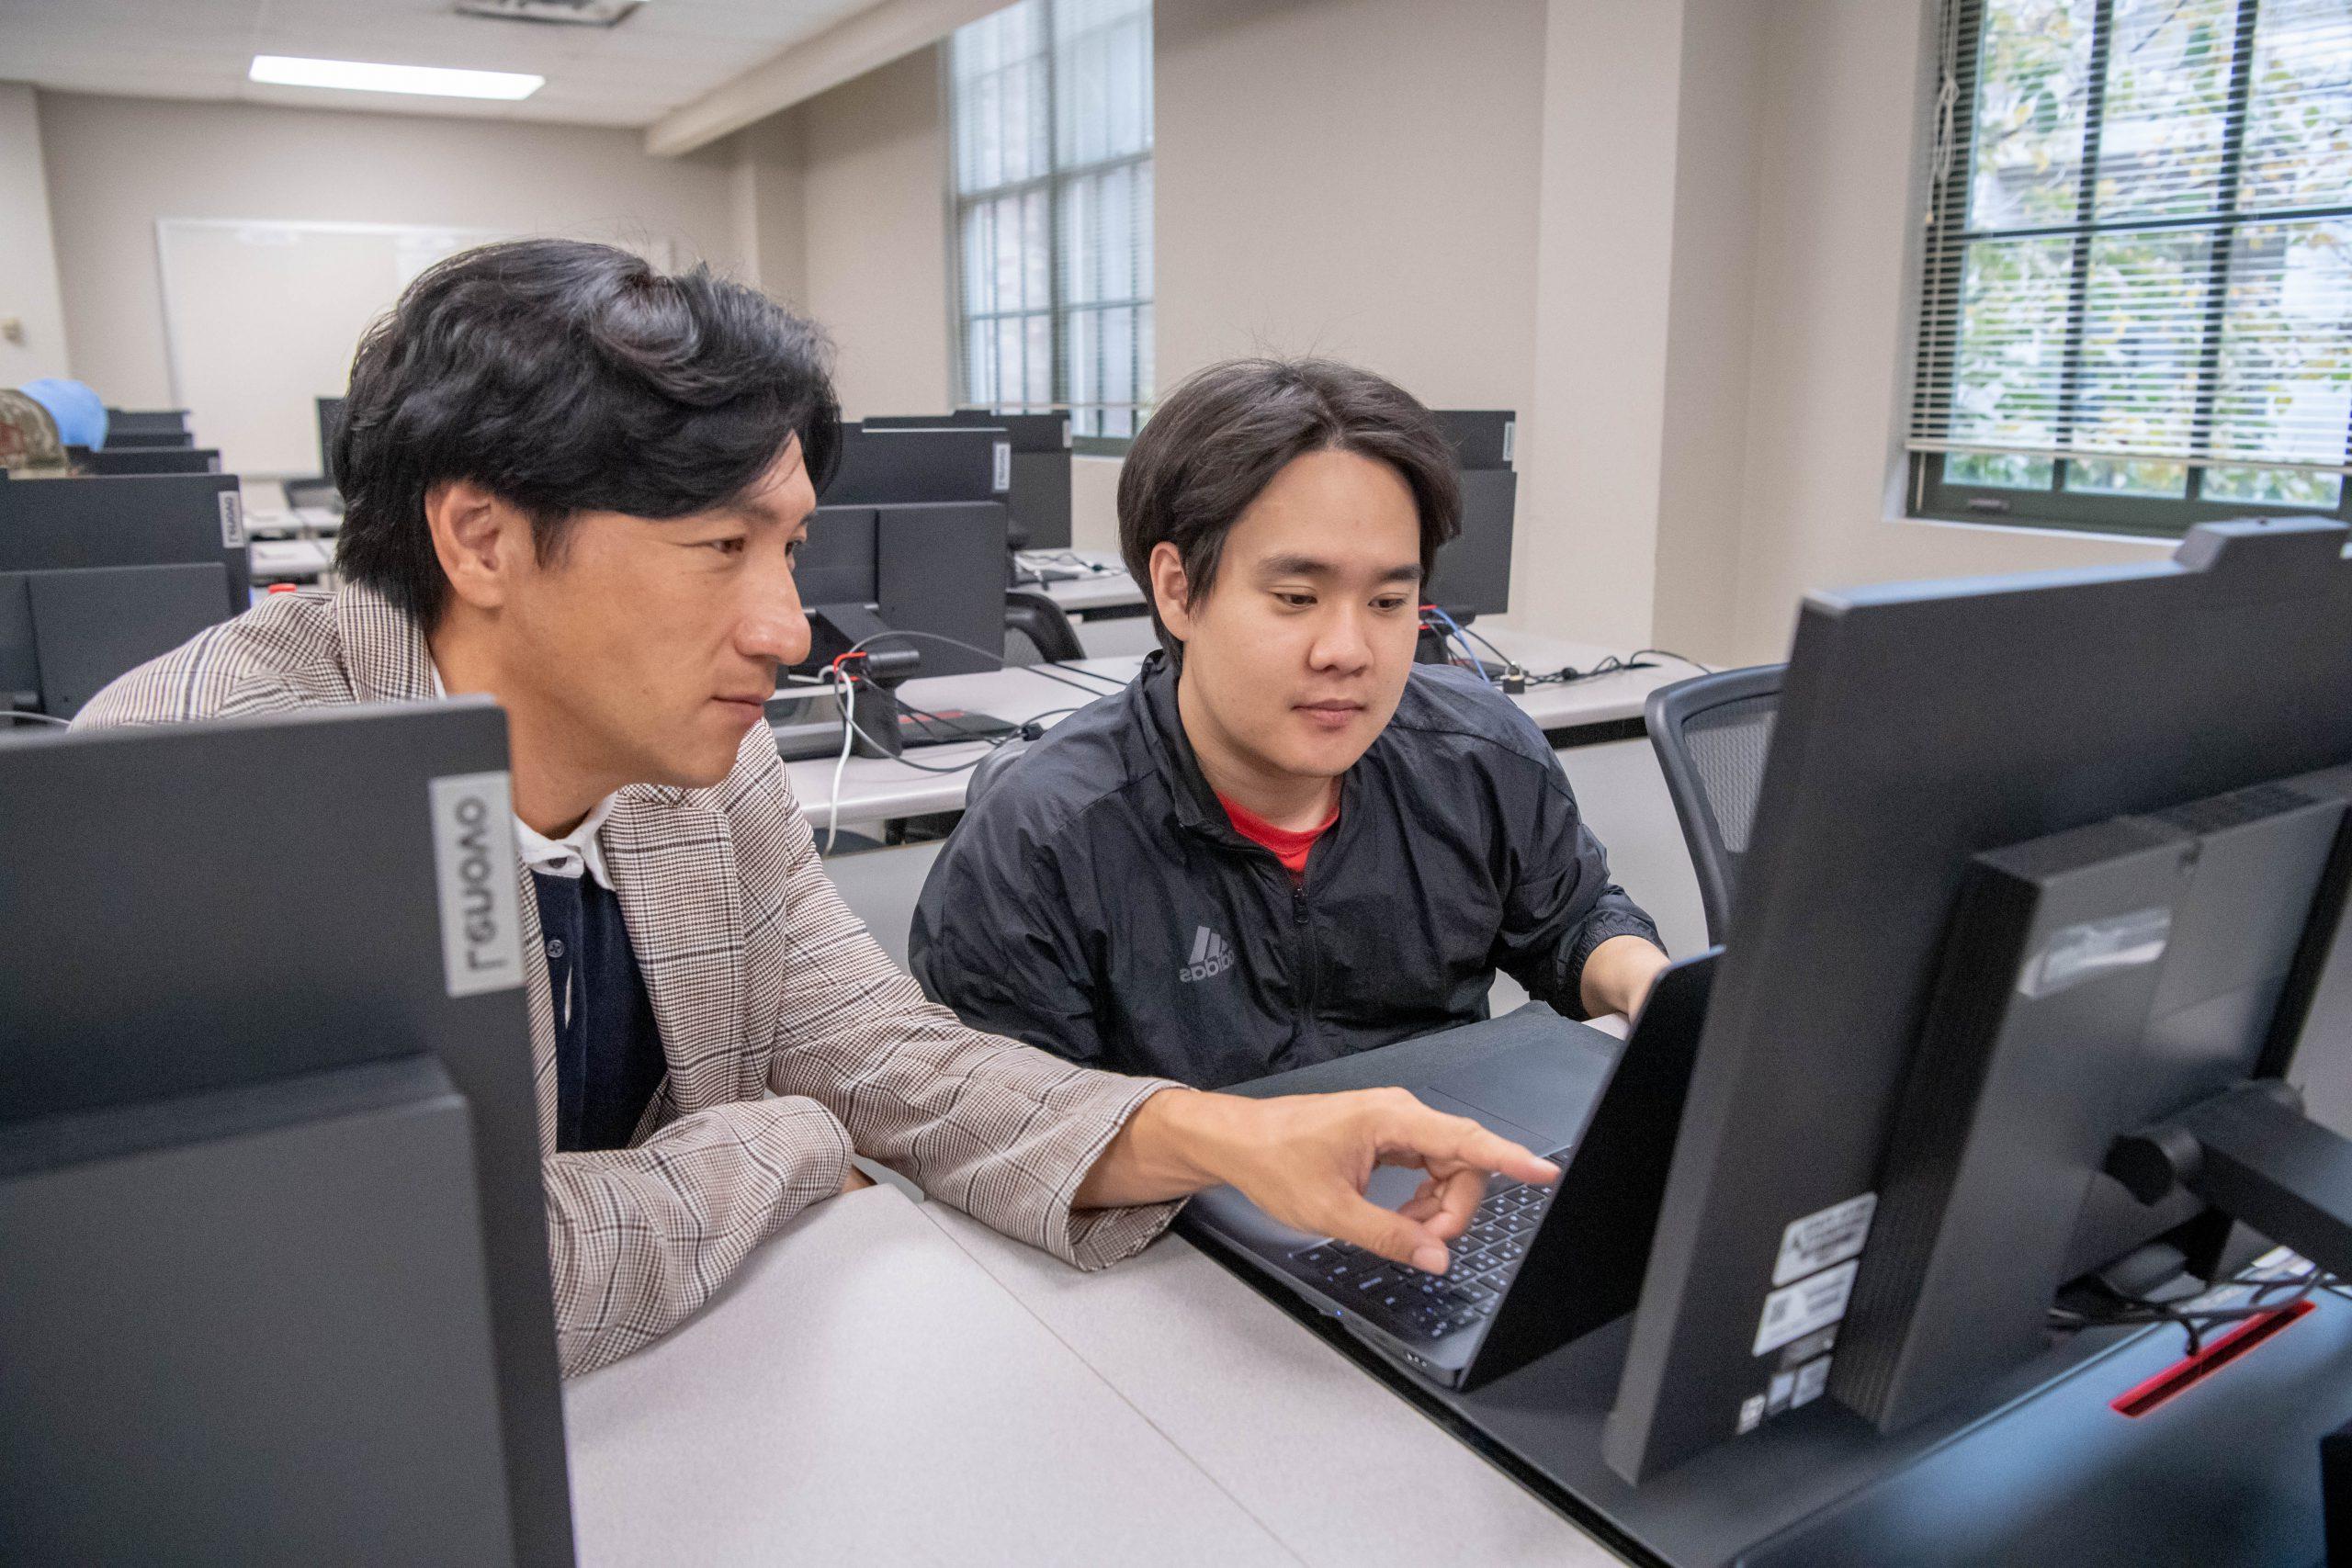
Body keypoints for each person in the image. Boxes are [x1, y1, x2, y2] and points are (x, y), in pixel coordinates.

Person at [74, 242, 1555, 1376]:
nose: (785, 627)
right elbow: (433, 1276)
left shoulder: (696, 763)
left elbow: (881, 1055)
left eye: (785, 547)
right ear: (481, 535)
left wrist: (1225, 1138)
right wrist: (776, 1143)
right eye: (722, 545)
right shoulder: (212, 785)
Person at [911, 357, 1669, 1089]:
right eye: (1297, 598)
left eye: (1386, 603)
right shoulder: (1040, 841)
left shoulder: (1479, 758)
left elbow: (1572, 920)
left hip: (1443, 1179)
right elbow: (1012, 1137)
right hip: (1175, 1210)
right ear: (1178, 591)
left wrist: (1641, 976)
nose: (1348, 652)